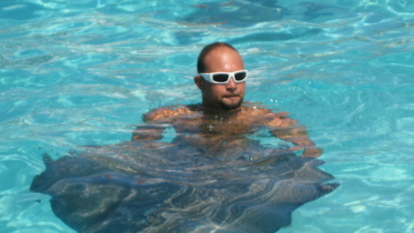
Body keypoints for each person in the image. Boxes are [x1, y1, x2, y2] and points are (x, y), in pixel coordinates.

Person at [131, 42, 322, 158]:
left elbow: (310, 151)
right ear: (200, 83)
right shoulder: (172, 116)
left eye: (239, 76)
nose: (232, 85)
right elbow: (139, 151)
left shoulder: (262, 116)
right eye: (221, 78)